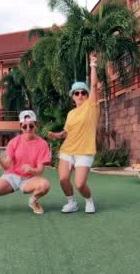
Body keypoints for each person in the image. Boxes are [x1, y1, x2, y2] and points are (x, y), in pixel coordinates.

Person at [48, 52, 99, 214]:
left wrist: (93, 64)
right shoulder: (71, 114)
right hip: (68, 150)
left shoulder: (91, 106)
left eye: (83, 92)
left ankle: (89, 201)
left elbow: (95, 85)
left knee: (80, 184)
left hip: (84, 150)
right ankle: (72, 202)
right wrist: (56, 135)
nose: (80, 95)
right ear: (73, 97)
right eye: (76, 93)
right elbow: (66, 133)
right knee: (63, 179)